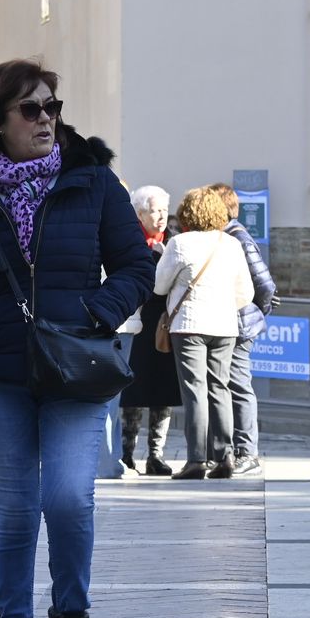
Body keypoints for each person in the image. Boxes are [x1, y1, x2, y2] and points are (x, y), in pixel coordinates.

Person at [0, 59, 151, 618]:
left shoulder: (93, 181)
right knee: (12, 510)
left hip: (75, 367)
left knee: (66, 497)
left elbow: (136, 266)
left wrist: (95, 313)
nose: (45, 119)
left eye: (51, 107)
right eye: (30, 109)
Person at [153, 186, 252, 480]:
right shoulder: (231, 244)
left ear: (187, 214)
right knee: (219, 388)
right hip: (224, 326)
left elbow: (158, 286)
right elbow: (245, 292)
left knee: (195, 391)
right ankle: (224, 457)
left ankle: (196, 460)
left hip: (189, 325)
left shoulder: (180, 243)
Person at [208, 183, 277, 477]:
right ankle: (229, 452)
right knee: (225, 385)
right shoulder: (224, 237)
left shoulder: (238, 238)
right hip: (230, 321)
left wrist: (254, 313)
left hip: (238, 324)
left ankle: (248, 452)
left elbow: (265, 285)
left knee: (238, 385)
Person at [118, 185, 181, 475]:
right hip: (136, 321)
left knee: (162, 390)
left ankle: (156, 455)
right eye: (153, 211)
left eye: (163, 211)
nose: (160, 217)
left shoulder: (174, 241)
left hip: (163, 325)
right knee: (132, 390)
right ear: (140, 213)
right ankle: (126, 453)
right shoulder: (129, 240)